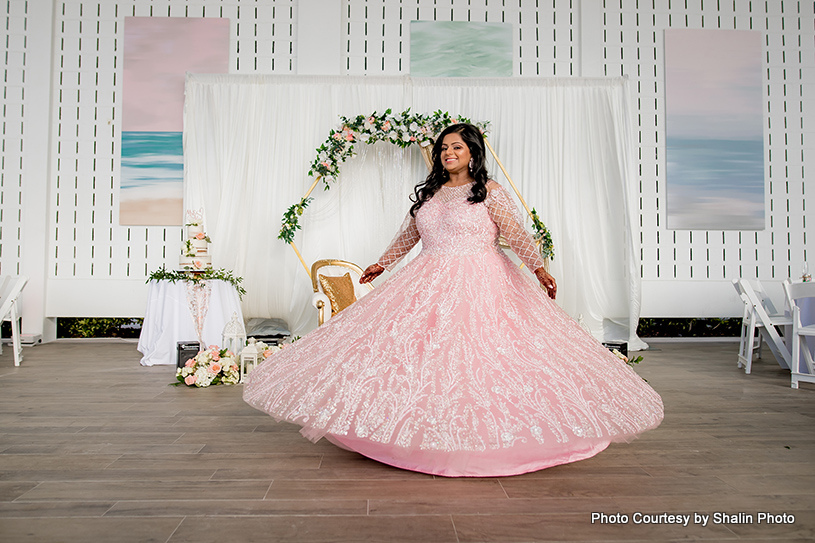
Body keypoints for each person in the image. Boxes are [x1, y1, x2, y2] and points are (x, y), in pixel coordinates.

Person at [244, 123, 663, 477]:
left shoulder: (489, 192)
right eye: (443, 148)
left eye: (456, 147)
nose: (447, 153)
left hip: (483, 279)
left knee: (484, 355)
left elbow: (515, 233)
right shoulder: (430, 193)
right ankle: (414, 433)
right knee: (418, 355)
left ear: (472, 153)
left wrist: (538, 268)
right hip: (427, 276)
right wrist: (381, 264)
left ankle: (489, 439)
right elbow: (409, 235)